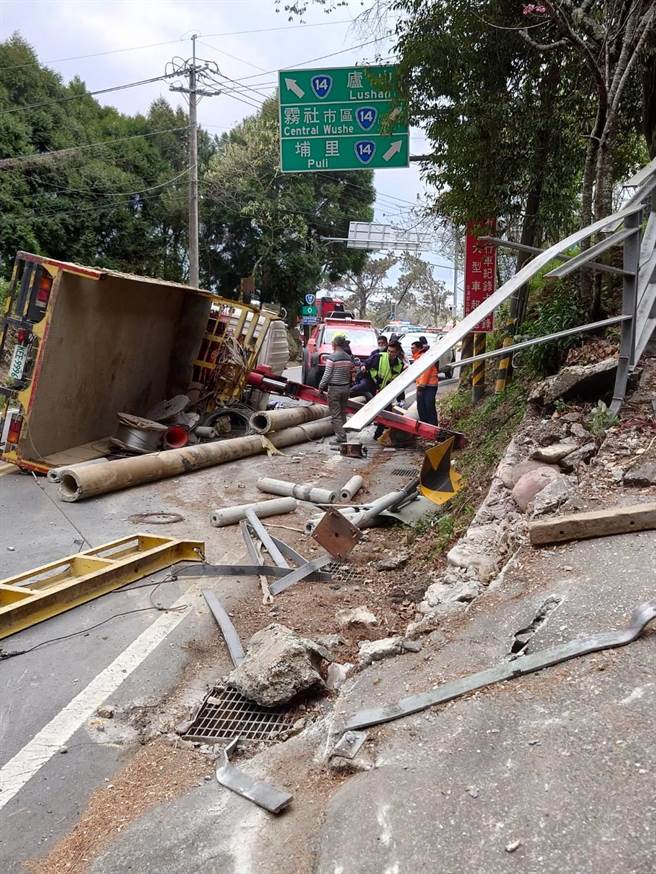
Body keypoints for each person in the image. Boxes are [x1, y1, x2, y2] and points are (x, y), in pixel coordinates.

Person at [319, 335, 355, 445]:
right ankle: (344, 431)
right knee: (343, 412)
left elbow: (327, 375)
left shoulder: (332, 358)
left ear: (334, 344)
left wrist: (321, 387)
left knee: (336, 414)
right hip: (346, 388)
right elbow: (351, 373)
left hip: (334, 388)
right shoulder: (348, 358)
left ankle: (341, 437)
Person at [411, 340, 439, 426]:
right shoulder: (417, 357)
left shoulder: (423, 357)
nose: (411, 350)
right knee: (421, 406)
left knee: (428, 406)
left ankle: (432, 426)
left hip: (429, 386)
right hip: (423, 385)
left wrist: (421, 385)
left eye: (413, 348)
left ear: (419, 348)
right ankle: (425, 426)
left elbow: (425, 372)